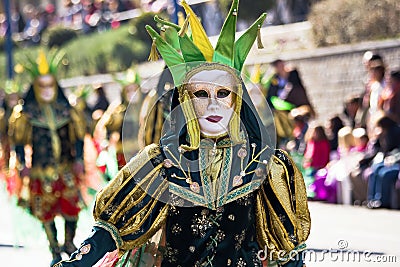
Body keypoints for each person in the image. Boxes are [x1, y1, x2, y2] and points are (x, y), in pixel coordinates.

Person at [54, 1, 310, 266]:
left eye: (223, 94)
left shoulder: (265, 166)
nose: (213, 104)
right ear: (186, 102)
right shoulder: (161, 164)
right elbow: (111, 231)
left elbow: (289, 249)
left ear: (237, 101)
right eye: (201, 94)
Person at [8, 50, 86, 266]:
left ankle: (69, 244)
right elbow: (18, 143)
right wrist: (22, 164)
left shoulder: (67, 110)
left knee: (72, 208)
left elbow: (78, 138)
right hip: (40, 172)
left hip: (66, 169)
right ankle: (54, 249)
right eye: (42, 86)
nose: (47, 90)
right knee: (45, 212)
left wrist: (79, 159)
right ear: (35, 87)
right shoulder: (25, 113)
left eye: (50, 85)